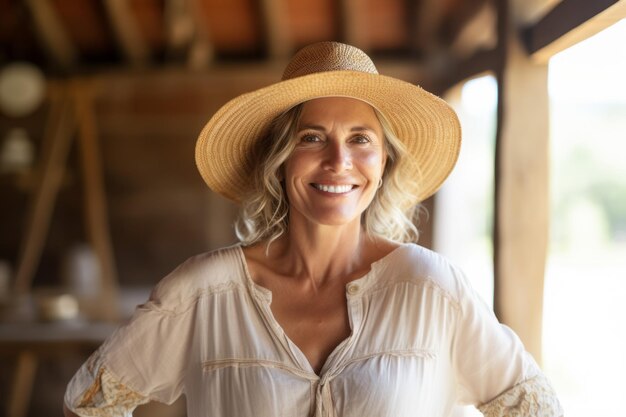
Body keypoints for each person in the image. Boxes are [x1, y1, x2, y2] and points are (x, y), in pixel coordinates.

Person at [64, 42, 562, 417]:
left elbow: (533, 407)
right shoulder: (203, 293)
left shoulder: (433, 290)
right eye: (312, 137)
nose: (338, 161)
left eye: (360, 139)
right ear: (279, 161)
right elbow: (90, 403)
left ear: (383, 161)